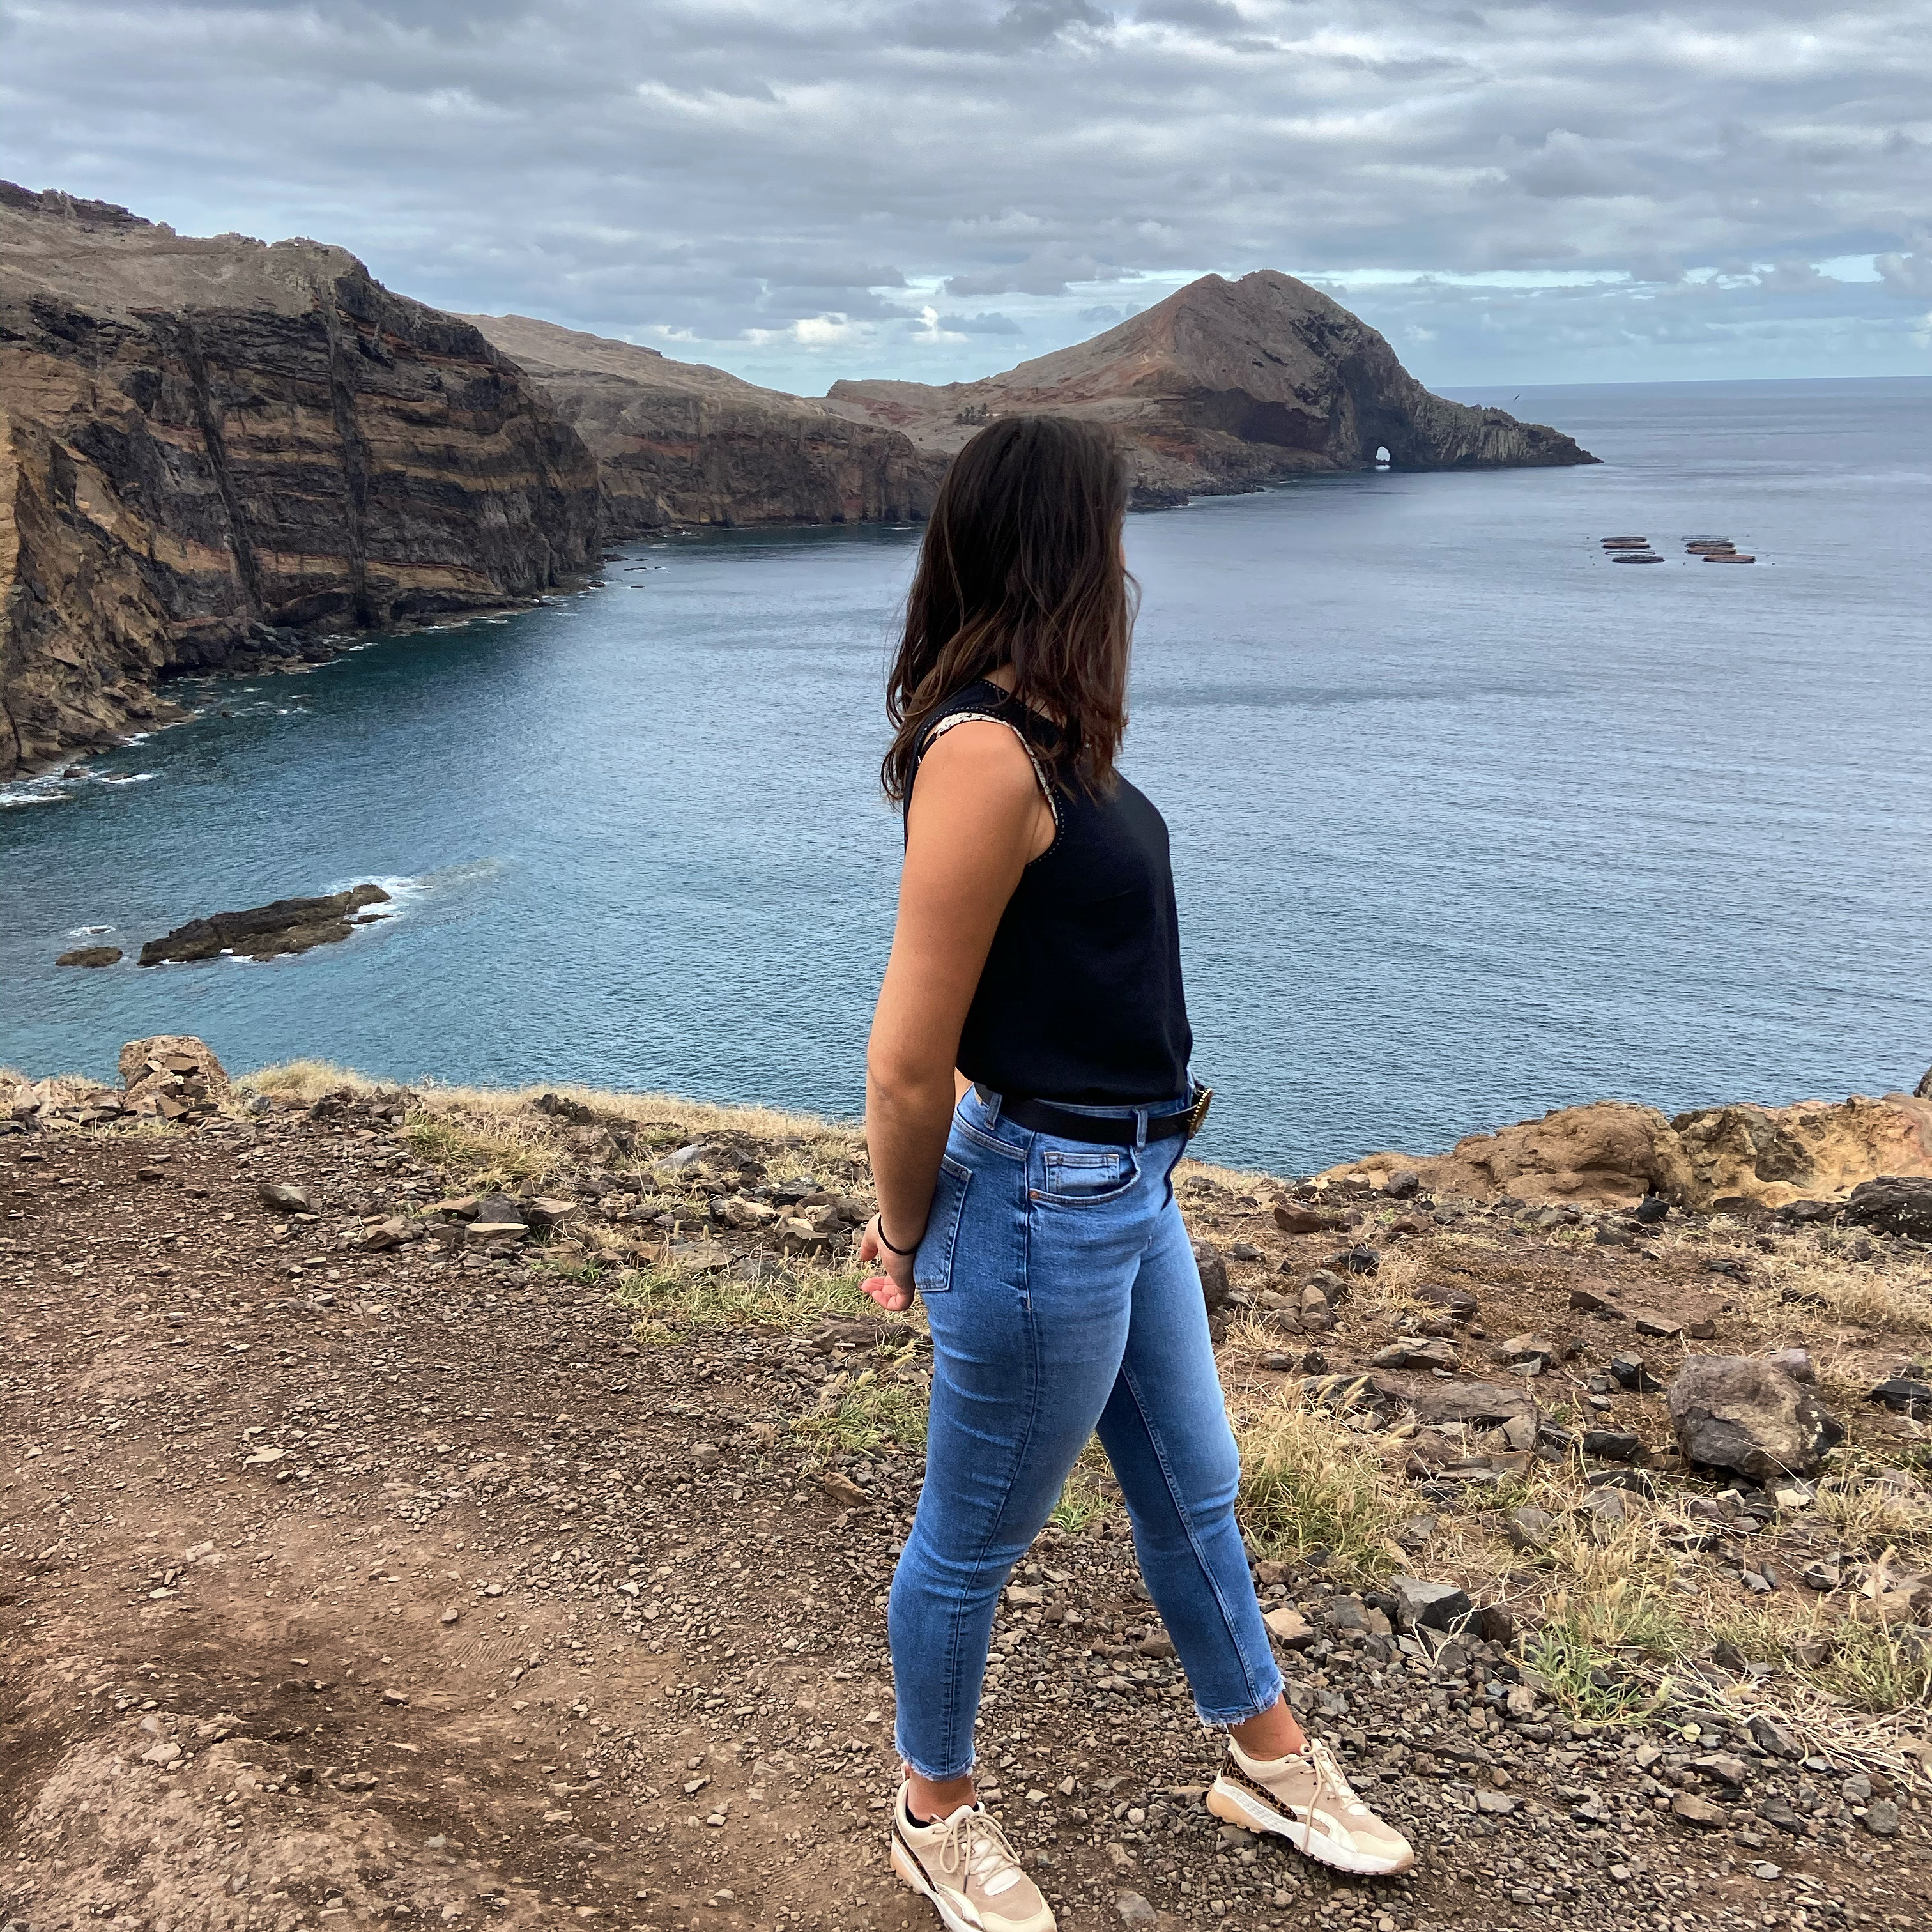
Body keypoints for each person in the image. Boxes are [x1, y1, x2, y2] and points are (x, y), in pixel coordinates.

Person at [855, 416, 1416, 1932]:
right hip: (1041, 1204)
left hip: (1131, 1191)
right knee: (974, 1539)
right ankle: (932, 1814)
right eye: (1107, 531)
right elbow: (907, 1060)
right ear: (1058, 545)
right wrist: (904, 1232)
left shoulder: (1059, 735)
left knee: (1193, 1489)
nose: (1125, 563)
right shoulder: (982, 754)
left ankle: (1268, 1759)